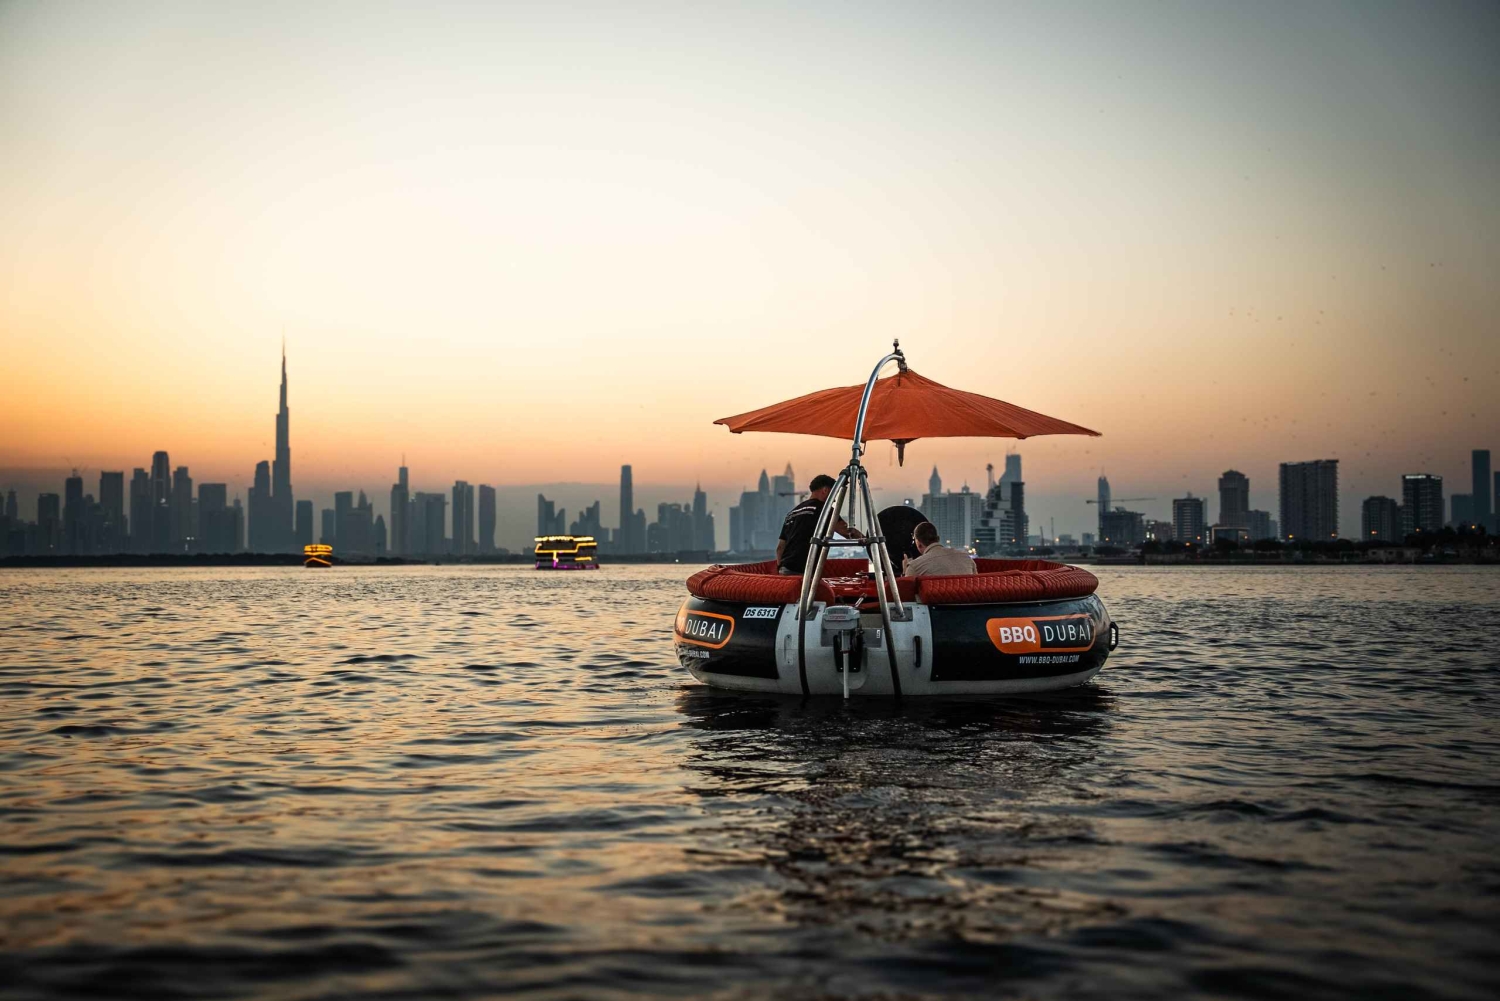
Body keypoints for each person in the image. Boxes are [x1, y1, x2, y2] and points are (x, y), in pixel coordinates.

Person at [776, 474, 863, 575]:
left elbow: (780, 548)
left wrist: (780, 570)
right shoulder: (824, 510)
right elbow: (847, 532)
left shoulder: (792, 513)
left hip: (784, 570)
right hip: (803, 571)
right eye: (834, 493)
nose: (834, 499)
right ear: (825, 490)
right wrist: (868, 540)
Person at [902, 521, 977, 577]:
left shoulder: (914, 566)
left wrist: (906, 571)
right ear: (938, 539)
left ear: (919, 544)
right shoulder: (966, 557)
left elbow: (906, 594)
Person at [877, 504, 928, 573]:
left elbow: (906, 582)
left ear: (918, 543)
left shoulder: (913, 566)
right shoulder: (946, 557)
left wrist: (906, 569)